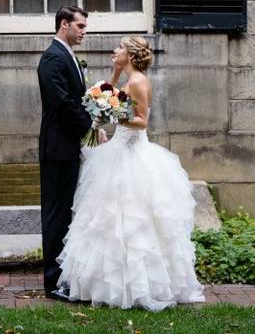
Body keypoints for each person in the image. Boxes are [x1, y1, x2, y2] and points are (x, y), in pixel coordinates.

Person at [56, 36, 206, 311]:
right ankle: (107, 285)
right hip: (116, 150)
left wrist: (112, 115)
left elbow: (142, 121)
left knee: (132, 222)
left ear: (132, 55)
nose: (115, 51)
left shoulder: (138, 82)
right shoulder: (128, 77)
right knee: (105, 220)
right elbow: (109, 92)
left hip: (132, 153)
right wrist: (111, 80)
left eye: (120, 48)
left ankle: (137, 287)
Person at [37, 5, 93, 299]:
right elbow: (62, 103)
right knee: (56, 215)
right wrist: (91, 127)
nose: (84, 31)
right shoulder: (52, 59)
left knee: (66, 214)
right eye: (80, 26)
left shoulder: (67, 56)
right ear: (64, 25)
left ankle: (65, 276)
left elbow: (75, 99)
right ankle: (53, 283)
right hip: (57, 149)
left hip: (68, 148)